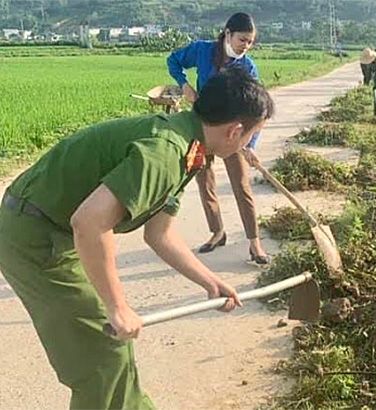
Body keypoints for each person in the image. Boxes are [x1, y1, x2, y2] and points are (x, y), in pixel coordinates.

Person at [0, 68, 274, 409]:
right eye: (252, 136)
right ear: (235, 131)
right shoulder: (165, 152)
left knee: (112, 353)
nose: (249, 144)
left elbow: (159, 234)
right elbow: (88, 223)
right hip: (34, 236)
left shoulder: (189, 146)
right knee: (102, 357)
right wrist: (117, 308)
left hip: (51, 228)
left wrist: (210, 281)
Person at [167, 12, 269, 263]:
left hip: (231, 133)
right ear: (228, 33)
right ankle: (217, 232)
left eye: (250, 42)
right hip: (201, 128)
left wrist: (250, 144)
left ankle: (254, 243)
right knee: (205, 181)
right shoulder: (203, 51)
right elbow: (173, 60)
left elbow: (256, 112)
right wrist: (184, 85)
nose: (246, 46)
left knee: (241, 184)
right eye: (242, 40)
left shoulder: (247, 67)